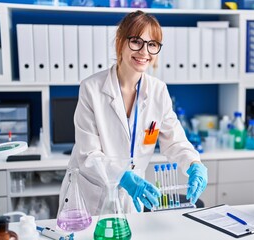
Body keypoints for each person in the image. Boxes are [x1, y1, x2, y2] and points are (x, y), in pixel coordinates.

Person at [59, 10, 208, 214]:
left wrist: (193, 163)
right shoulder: (91, 88)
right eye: (136, 41)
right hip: (90, 198)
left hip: (132, 199)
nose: (144, 52)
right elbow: (88, 155)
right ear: (120, 42)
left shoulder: (158, 91)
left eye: (152, 44)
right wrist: (122, 176)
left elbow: (174, 142)